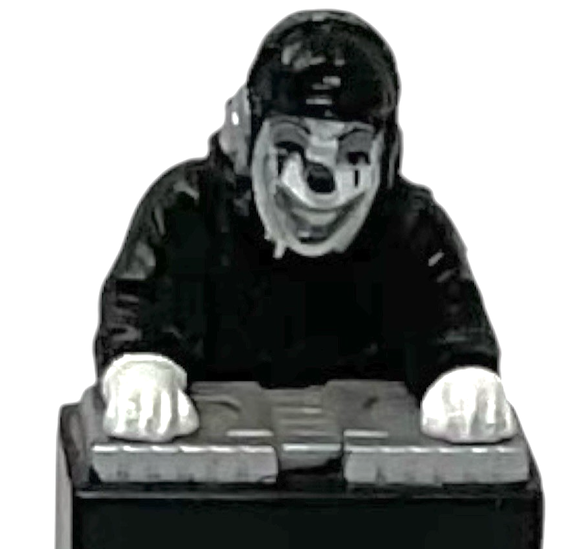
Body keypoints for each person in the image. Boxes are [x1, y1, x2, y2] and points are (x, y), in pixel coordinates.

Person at [96, 9, 516, 445]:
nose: (321, 186)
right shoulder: (187, 212)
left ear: (386, 154)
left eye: (353, 153)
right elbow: (137, 312)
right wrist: (142, 371)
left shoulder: (412, 232)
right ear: (245, 137)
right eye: (290, 145)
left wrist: (461, 378)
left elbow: (452, 324)